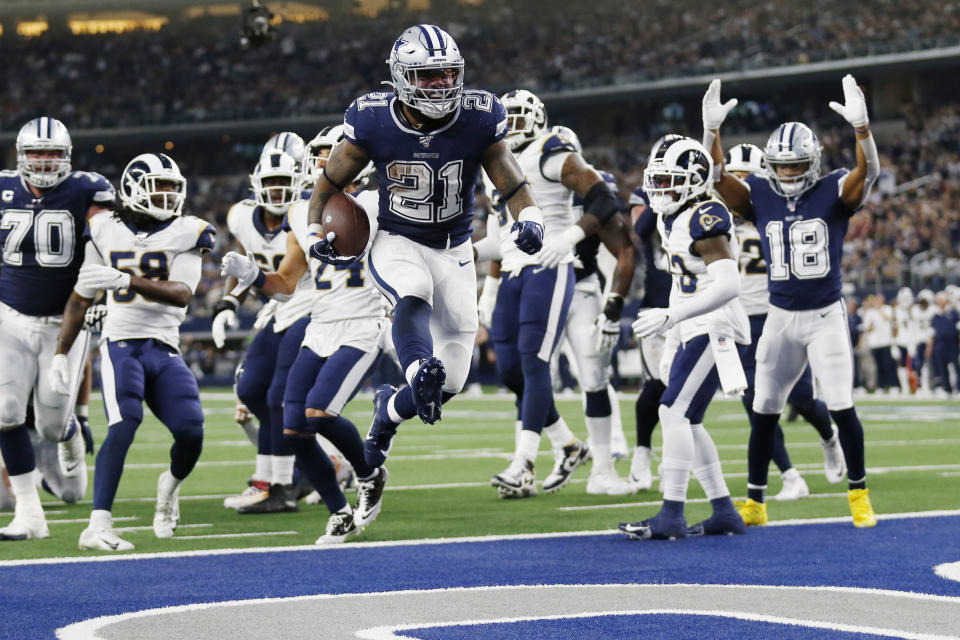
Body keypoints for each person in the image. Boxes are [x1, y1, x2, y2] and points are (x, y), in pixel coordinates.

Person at [304, 25, 545, 469]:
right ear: (400, 77)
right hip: (397, 238)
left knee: (452, 380)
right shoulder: (373, 119)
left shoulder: (478, 115)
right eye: (428, 75)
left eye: (448, 74)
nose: (441, 84)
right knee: (412, 292)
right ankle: (416, 369)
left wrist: (530, 216)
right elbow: (328, 185)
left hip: (456, 249)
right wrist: (314, 232)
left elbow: (510, 179)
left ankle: (388, 413)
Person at [703, 74, 879, 528]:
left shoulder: (833, 190)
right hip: (780, 317)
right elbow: (717, 176)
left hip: (824, 315)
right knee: (763, 409)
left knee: (840, 403)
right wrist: (711, 134)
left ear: (813, 163)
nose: (787, 174)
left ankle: (858, 493)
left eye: (795, 165)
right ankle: (756, 501)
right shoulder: (759, 192)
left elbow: (869, 174)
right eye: (780, 166)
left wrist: (863, 131)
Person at [220, 142, 389, 543]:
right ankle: (339, 511)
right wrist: (252, 277)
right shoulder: (301, 213)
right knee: (294, 426)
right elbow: (285, 285)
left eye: (334, 154)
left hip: (364, 322)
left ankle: (368, 471)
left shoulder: (382, 205)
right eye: (323, 156)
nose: (327, 162)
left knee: (319, 412)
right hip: (321, 325)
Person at [51, 152, 214, 550]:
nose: (167, 196)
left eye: (172, 188)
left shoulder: (190, 230)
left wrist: (125, 278)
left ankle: (168, 489)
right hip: (120, 342)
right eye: (158, 187)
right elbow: (80, 296)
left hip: (165, 345)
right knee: (124, 423)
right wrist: (61, 352)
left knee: (191, 431)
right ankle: (98, 525)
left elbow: (181, 294)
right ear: (132, 188)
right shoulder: (104, 228)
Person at [474, 89, 631, 497]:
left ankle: (535, 462)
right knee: (513, 370)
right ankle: (566, 443)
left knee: (574, 372)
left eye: (522, 115)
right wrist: (483, 281)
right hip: (518, 272)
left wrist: (612, 303)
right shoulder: (496, 163)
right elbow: (501, 239)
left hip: (566, 277)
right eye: (508, 116)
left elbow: (616, 229)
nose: (515, 123)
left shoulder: (553, 154)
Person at [619, 136, 747, 540]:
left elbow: (729, 285)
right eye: (655, 180)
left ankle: (672, 512)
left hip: (718, 326)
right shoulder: (671, 216)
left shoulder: (705, 217)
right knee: (687, 419)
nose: (659, 190)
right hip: (694, 326)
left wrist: (673, 315)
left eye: (669, 181)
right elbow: (683, 280)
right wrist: (674, 330)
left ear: (693, 181)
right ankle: (724, 509)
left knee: (672, 412)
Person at [0, 117, 114, 541]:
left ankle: (68, 434)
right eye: (36, 153)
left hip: (63, 324)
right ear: (21, 156)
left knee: (48, 424)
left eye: (52, 154)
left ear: (66, 156)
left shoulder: (88, 188)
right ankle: (30, 516)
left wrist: (102, 293)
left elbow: (107, 239)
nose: (44, 162)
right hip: (9, 316)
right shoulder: (3, 187)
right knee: (5, 411)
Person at [725, 143, 845, 501]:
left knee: (804, 400)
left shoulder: (774, 208)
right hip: (742, 318)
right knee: (757, 405)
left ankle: (829, 436)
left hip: (780, 312)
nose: (742, 184)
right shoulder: (715, 216)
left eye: (749, 177)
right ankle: (790, 475)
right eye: (736, 178)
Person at [212, 147, 313, 513]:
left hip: (310, 305)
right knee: (252, 389)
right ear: (257, 184)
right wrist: (228, 304)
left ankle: (280, 485)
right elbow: (241, 262)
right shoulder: (241, 216)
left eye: (283, 182)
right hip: (277, 309)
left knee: (279, 398)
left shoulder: (304, 215)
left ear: (297, 184)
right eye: (270, 182)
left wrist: (248, 282)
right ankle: (277, 477)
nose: (276, 190)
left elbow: (286, 283)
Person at [928, 292, 960, 396]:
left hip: (952, 343)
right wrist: (929, 347)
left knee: (956, 366)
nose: (940, 303)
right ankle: (947, 389)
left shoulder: (953, 313)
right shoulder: (936, 315)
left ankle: (958, 388)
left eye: (942, 301)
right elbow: (932, 332)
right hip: (940, 344)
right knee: (942, 367)